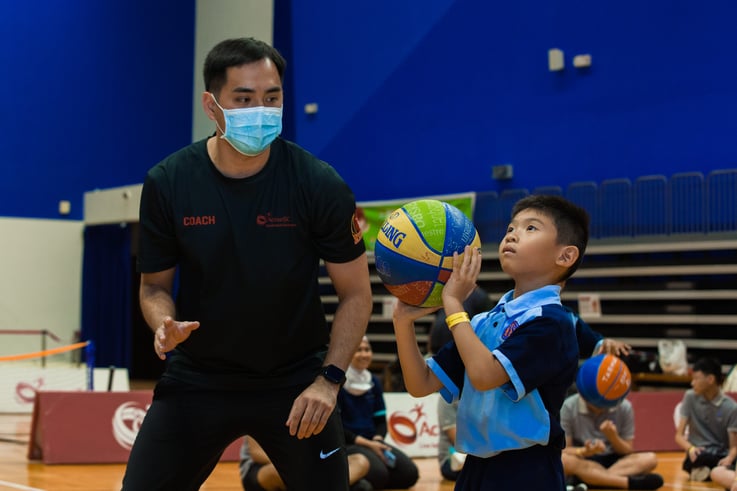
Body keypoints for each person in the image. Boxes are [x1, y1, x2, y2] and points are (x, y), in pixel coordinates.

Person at [121, 37, 373, 491]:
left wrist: (329, 381)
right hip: (198, 376)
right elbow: (154, 287)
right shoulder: (168, 182)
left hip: (297, 381)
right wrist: (164, 325)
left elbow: (356, 293)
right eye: (244, 98)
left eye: (271, 98)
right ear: (211, 105)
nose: (261, 110)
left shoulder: (318, 183)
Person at [392, 194, 589, 490]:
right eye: (511, 228)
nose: (513, 234)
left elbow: (485, 375)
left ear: (565, 256)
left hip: (527, 472)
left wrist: (454, 304)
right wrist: (402, 323)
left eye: (531, 228)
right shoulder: (484, 322)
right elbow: (420, 384)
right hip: (475, 468)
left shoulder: (553, 322)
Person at [338, 336, 419, 489]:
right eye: (358, 350)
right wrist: (368, 444)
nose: (364, 354)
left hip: (373, 440)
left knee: (409, 473)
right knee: (379, 473)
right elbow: (338, 427)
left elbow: (381, 419)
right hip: (349, 443)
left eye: (367, 350)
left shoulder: (373, 381)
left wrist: (377, 439)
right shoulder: (338, 382)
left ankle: (360, 482)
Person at [560, 391, 664, 490]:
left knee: (650, 458)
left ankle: (592, 480)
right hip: (584, 461)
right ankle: (628, 483)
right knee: (564, 460)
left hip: (615, 461)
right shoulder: (568, 406)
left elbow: (627, 450)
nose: (599, 408)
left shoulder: (625, 406)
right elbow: (564, 449)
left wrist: (613, 437)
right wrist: (584, 451)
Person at [675, 356, 737, 482]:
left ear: (710, 379)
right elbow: (679, 436)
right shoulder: (690, 397)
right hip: (698, 454)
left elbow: (733, 447)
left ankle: (708, 472)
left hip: (720, 454)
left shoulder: (731, 407)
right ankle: (710, 471)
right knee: (697, 458)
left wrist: (729, 459)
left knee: (725, 461)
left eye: (696, 379)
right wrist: (690, 448)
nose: (692, 383)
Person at [239, 436, 373, 491]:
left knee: (361, 461)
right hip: (262, 469)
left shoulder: (311, 408)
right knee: (285, 472)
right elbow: (257, 454)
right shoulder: (264, 408)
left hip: (309, 470)